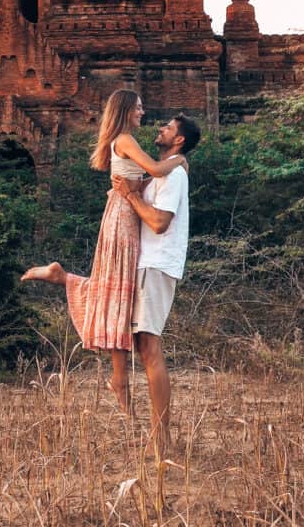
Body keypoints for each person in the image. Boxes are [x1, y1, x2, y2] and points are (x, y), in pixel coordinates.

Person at [21, 89, 186, 411]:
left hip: (126, 216)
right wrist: (179, 159)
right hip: (123, 218)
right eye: (139, 107)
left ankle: (119, 376)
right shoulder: (125, 139)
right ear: (125, 110)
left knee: (118, 291)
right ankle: (119, 377)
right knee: (117, 290)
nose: (144, 112)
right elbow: (154, 170)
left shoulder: (124, 140)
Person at [112, 113, 201, 453]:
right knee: (143, 346)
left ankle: (161, 438)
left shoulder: (175, 174)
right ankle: (156, 434)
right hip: (146, 264)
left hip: (157, 264)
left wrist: (132, 198)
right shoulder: (164, 173)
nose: (160, 128)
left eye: (167, 127)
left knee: (149, 348)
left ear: (178, 140)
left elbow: (161, 222)